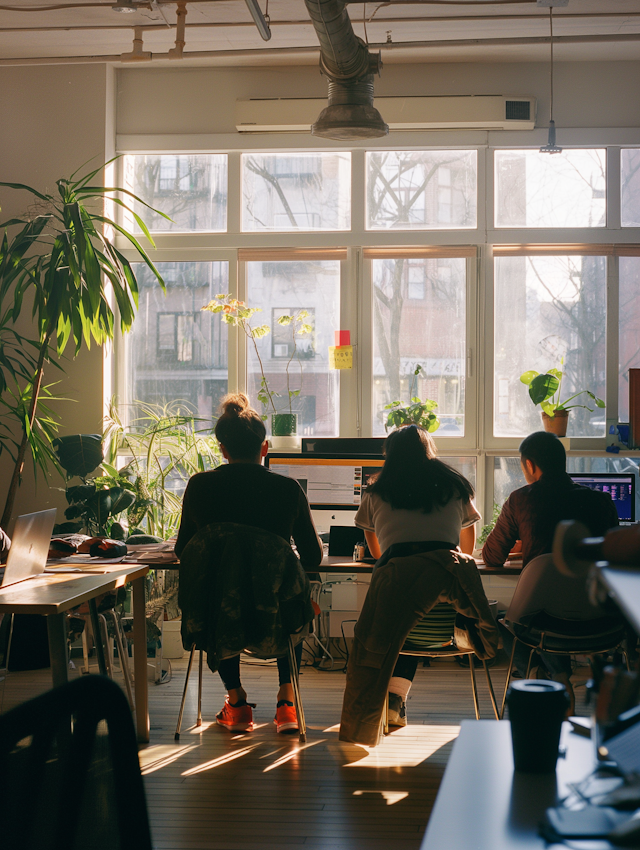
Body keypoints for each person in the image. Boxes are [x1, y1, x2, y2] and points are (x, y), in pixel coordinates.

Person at [175, 393, 323, 734]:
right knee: (292, 599)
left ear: (223, 450)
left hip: (219, 613)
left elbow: (184, 550)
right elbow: (313, 558)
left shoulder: (199, 486)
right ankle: (287, 705)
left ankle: (237, 704)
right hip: (274, 610)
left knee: (220, 593)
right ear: (265, 447)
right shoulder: (288, 489)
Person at [354, 424, 481, 726]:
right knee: (421, 601)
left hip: (394, 620)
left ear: (390, 455)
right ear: (429, 451)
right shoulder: (456, 487)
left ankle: (391, 701)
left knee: (402, 610)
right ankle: (397, 697)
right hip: (446, 625)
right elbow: (467, 550)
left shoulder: (376, 492)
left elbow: (376, 554)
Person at [482, 430, 619, 709]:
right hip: (603, 621)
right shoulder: (601, 501)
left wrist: (525, 537)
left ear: (530, 465)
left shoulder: (520, 500)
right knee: (548, 617)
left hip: (545, 621)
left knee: (508, 622)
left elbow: (492, 557)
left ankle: (549, 675)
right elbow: (613, 556)